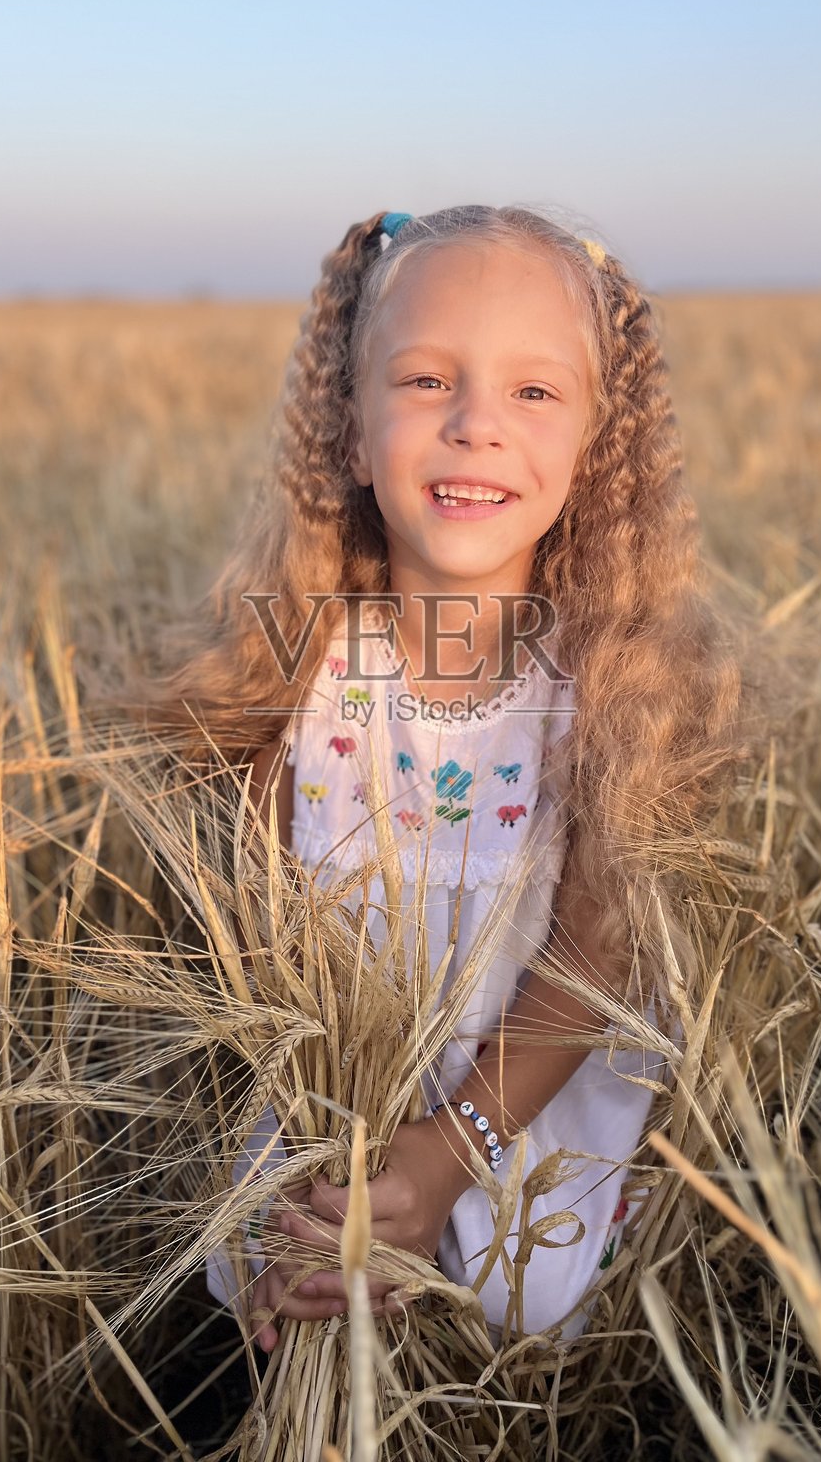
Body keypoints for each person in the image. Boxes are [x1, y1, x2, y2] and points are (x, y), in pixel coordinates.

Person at [141, 205, 750, 1349]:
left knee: (518, 1292)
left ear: (592, 446)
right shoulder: (297, 673)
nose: (476, 425)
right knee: (277, 1265)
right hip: (338, 1092)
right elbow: (269, 939)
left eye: (533, 392)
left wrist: (447, 1150)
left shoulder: (603, 690)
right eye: (425, 381)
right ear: (353, 434)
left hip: (524, 1096)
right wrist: (347, 1155)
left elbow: (596, 952)